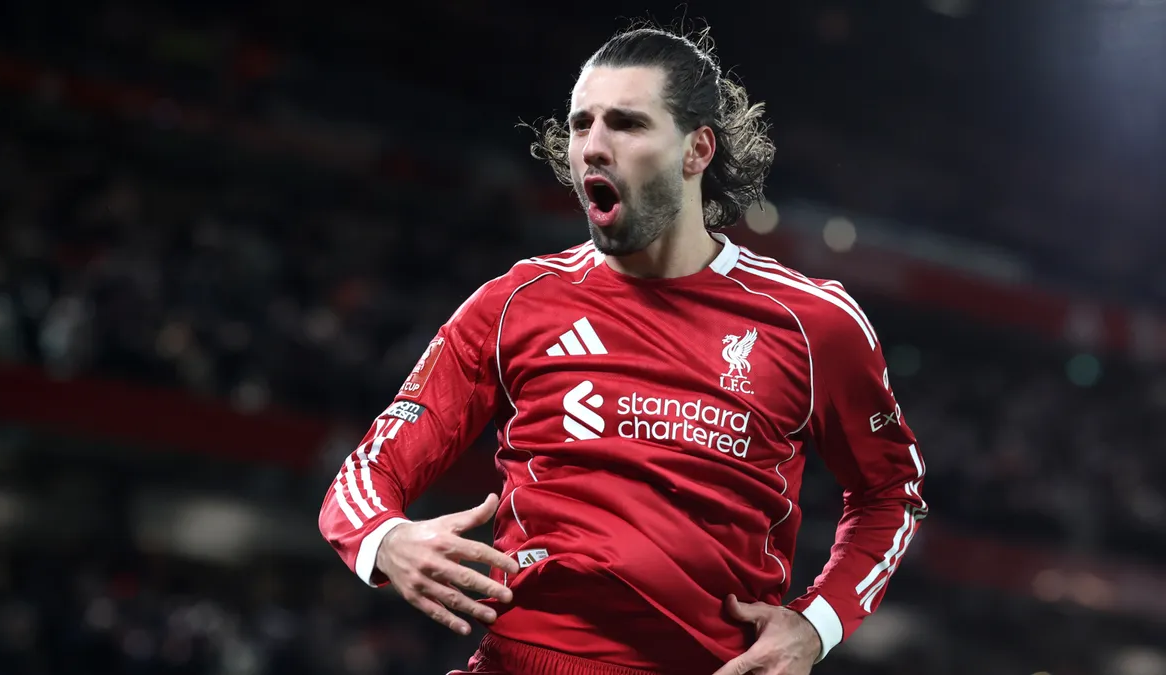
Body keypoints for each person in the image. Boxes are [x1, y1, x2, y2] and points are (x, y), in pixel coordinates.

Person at [319, 22, 928, 675]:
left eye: (627, 124)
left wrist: (816, 625)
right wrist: (386, 539)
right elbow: (368, 471)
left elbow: (891, 491)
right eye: (581, 125)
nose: (593, 148)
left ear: (697, 150)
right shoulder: (513, 304)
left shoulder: (813, 322)